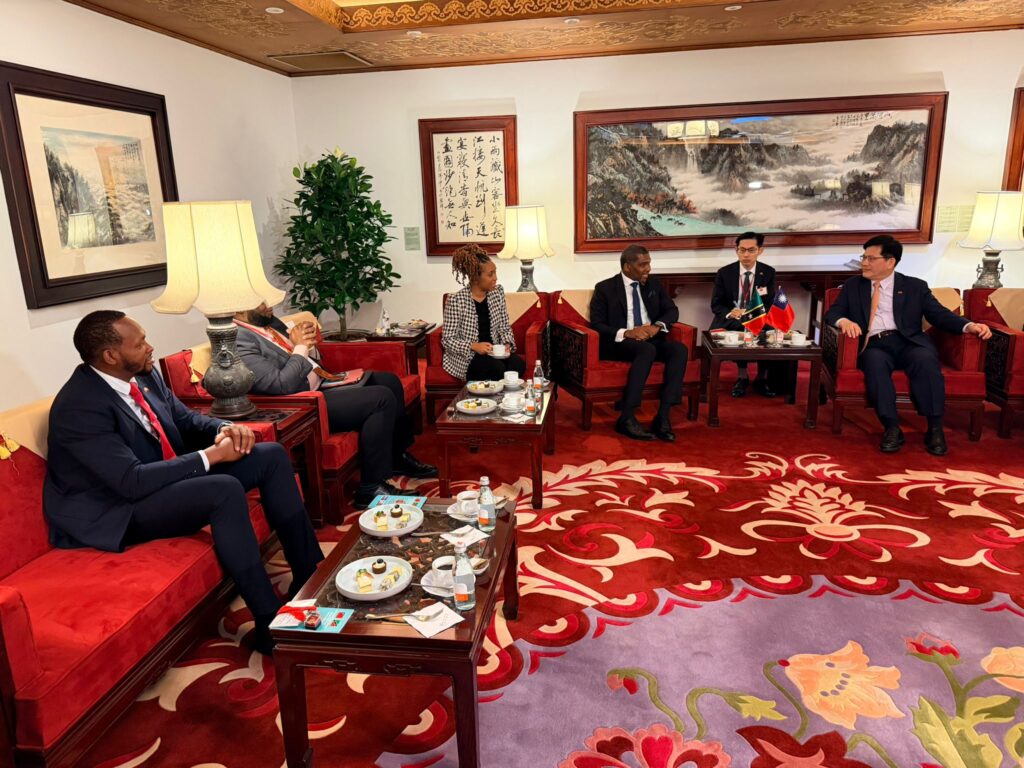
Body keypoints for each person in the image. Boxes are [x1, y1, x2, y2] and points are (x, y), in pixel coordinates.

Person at [44, 311, 324, 655]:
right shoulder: (79, 406)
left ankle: (309, 578)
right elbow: (130, 481)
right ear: (111, 356)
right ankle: (269, 625)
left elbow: (184, 418)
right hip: (119, 509)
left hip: (159, 479)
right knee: (222, 490)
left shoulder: (143, 375)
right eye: (140, 343)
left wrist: (223, 429)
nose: (150, 347)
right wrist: (210, 456)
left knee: (271, 456)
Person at [234, 303, 437, 509]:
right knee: (380, 399)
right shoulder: (239, 339)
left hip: (322, 382)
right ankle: (371, 487)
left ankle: (396, 456)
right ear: (239, 308)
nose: (268, 305)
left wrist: (309, 345)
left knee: (389, 381)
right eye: (260, 303)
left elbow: (310, 359)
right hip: (304, 403)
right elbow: (280, 384)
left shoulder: (271, 324)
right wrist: (300, 347)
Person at [824, 235, 991, 455]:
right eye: (863, 257)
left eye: (871, 258)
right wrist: (844, 321)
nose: (864, 263)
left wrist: (969, 325)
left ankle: (935, 428)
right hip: (874, 344)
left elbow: (939, 314)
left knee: (925, 361)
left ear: (890, 262)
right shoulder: (853, 286)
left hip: (909, 342)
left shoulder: (914, 286)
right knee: (874, 365)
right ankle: (891, 427)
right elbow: (833, 313)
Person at [590, 244, 688, 442]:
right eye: (643, 265)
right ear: (628, 267)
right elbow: (597, 324)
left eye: (649, 263)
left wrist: (656, 327)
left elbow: (672, 310)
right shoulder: (605, 288)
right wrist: (628, 332)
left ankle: (663, 416)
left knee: (679, 349)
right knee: (646, 350)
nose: (648, 269)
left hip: (650, 338)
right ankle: (626, 417)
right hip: (619, 343)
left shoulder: (653, 284)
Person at [441, 243, 527, 382]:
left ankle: (504, 394)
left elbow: (504, 327)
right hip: (470, 357)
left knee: (518, 365)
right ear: (475, 277)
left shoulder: (497, 293)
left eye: (495, 272)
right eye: (490, 274)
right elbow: (448, 340)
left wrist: (507, 345)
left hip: (494, 353)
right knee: (497, 369)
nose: (495, 278)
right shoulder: (456, 300)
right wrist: (474, 346)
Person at [710, 231, 780, 398]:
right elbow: (716, 304)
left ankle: (761, 378)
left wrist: (754, 313)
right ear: (736, 250)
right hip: (733, 318)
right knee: (740, 326)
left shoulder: (768, 272)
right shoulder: (725, 273)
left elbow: (770, 303)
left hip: (758, 317)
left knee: (770, 332)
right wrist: (730, 312)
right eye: (742, 250)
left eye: (751, 250)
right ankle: (742, 376)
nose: (746, 254)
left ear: (760, 250)